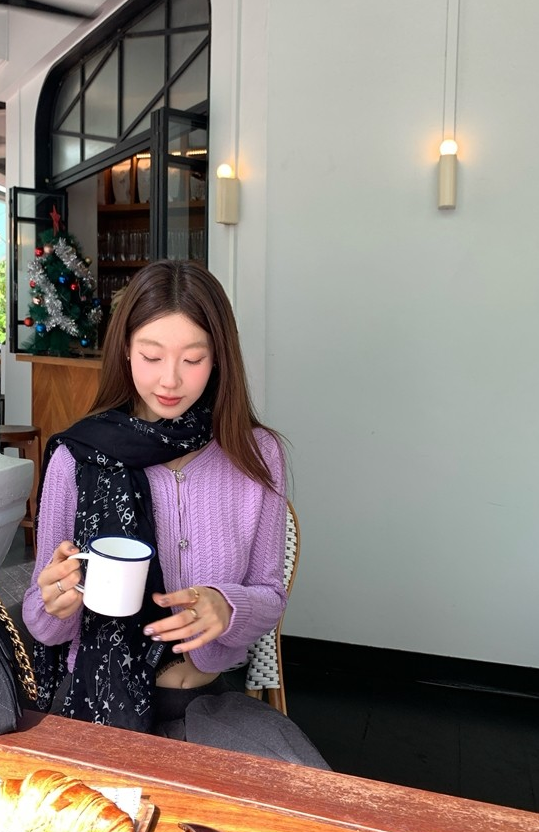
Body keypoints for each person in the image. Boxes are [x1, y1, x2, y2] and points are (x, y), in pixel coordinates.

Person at [22, 260, 329, 767]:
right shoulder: (77, 456)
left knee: (307, 793)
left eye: (193, 359)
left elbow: (269, 595)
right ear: (125, 350)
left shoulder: (256, 453)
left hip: (208, 704)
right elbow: (41, 617)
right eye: (151, 355)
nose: (170, 379)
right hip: (98, 703)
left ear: (219, 358)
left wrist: (227, 606)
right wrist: (54, 604)